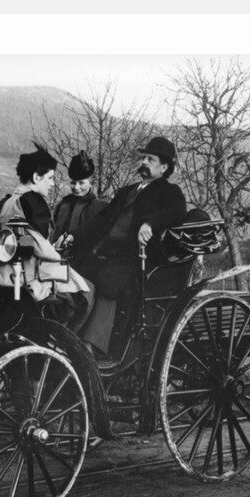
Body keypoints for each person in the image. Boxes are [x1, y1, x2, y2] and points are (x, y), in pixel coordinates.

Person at [69, 136, 187, 355]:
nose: (144, 162)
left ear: (164, 167)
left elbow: (178, 212)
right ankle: (70, 338)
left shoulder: (169, 192)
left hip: (133, 259)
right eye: (143, 157)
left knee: (108, 281)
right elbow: (101, 221)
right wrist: (74, 237)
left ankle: (91, 347)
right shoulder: (126, 191)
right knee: (76, 275)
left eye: (150, 159)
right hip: (104, 253)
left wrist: (151, 223)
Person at [0, 145, 93, 330]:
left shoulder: (6, 202)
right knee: (86, 292)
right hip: (30, 274)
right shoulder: (32, 202)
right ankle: (66, 344)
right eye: (50, 178)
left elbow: (20, 238)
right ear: (37, 177)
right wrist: (56, 251)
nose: (53, 184)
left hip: (4, 273)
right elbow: (42, 250)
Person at [51, 151, 108, 251]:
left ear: (91, 183)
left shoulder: (100, 207)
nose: (76, 187)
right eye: (73, 183)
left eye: (81, 183)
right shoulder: (62, 205)